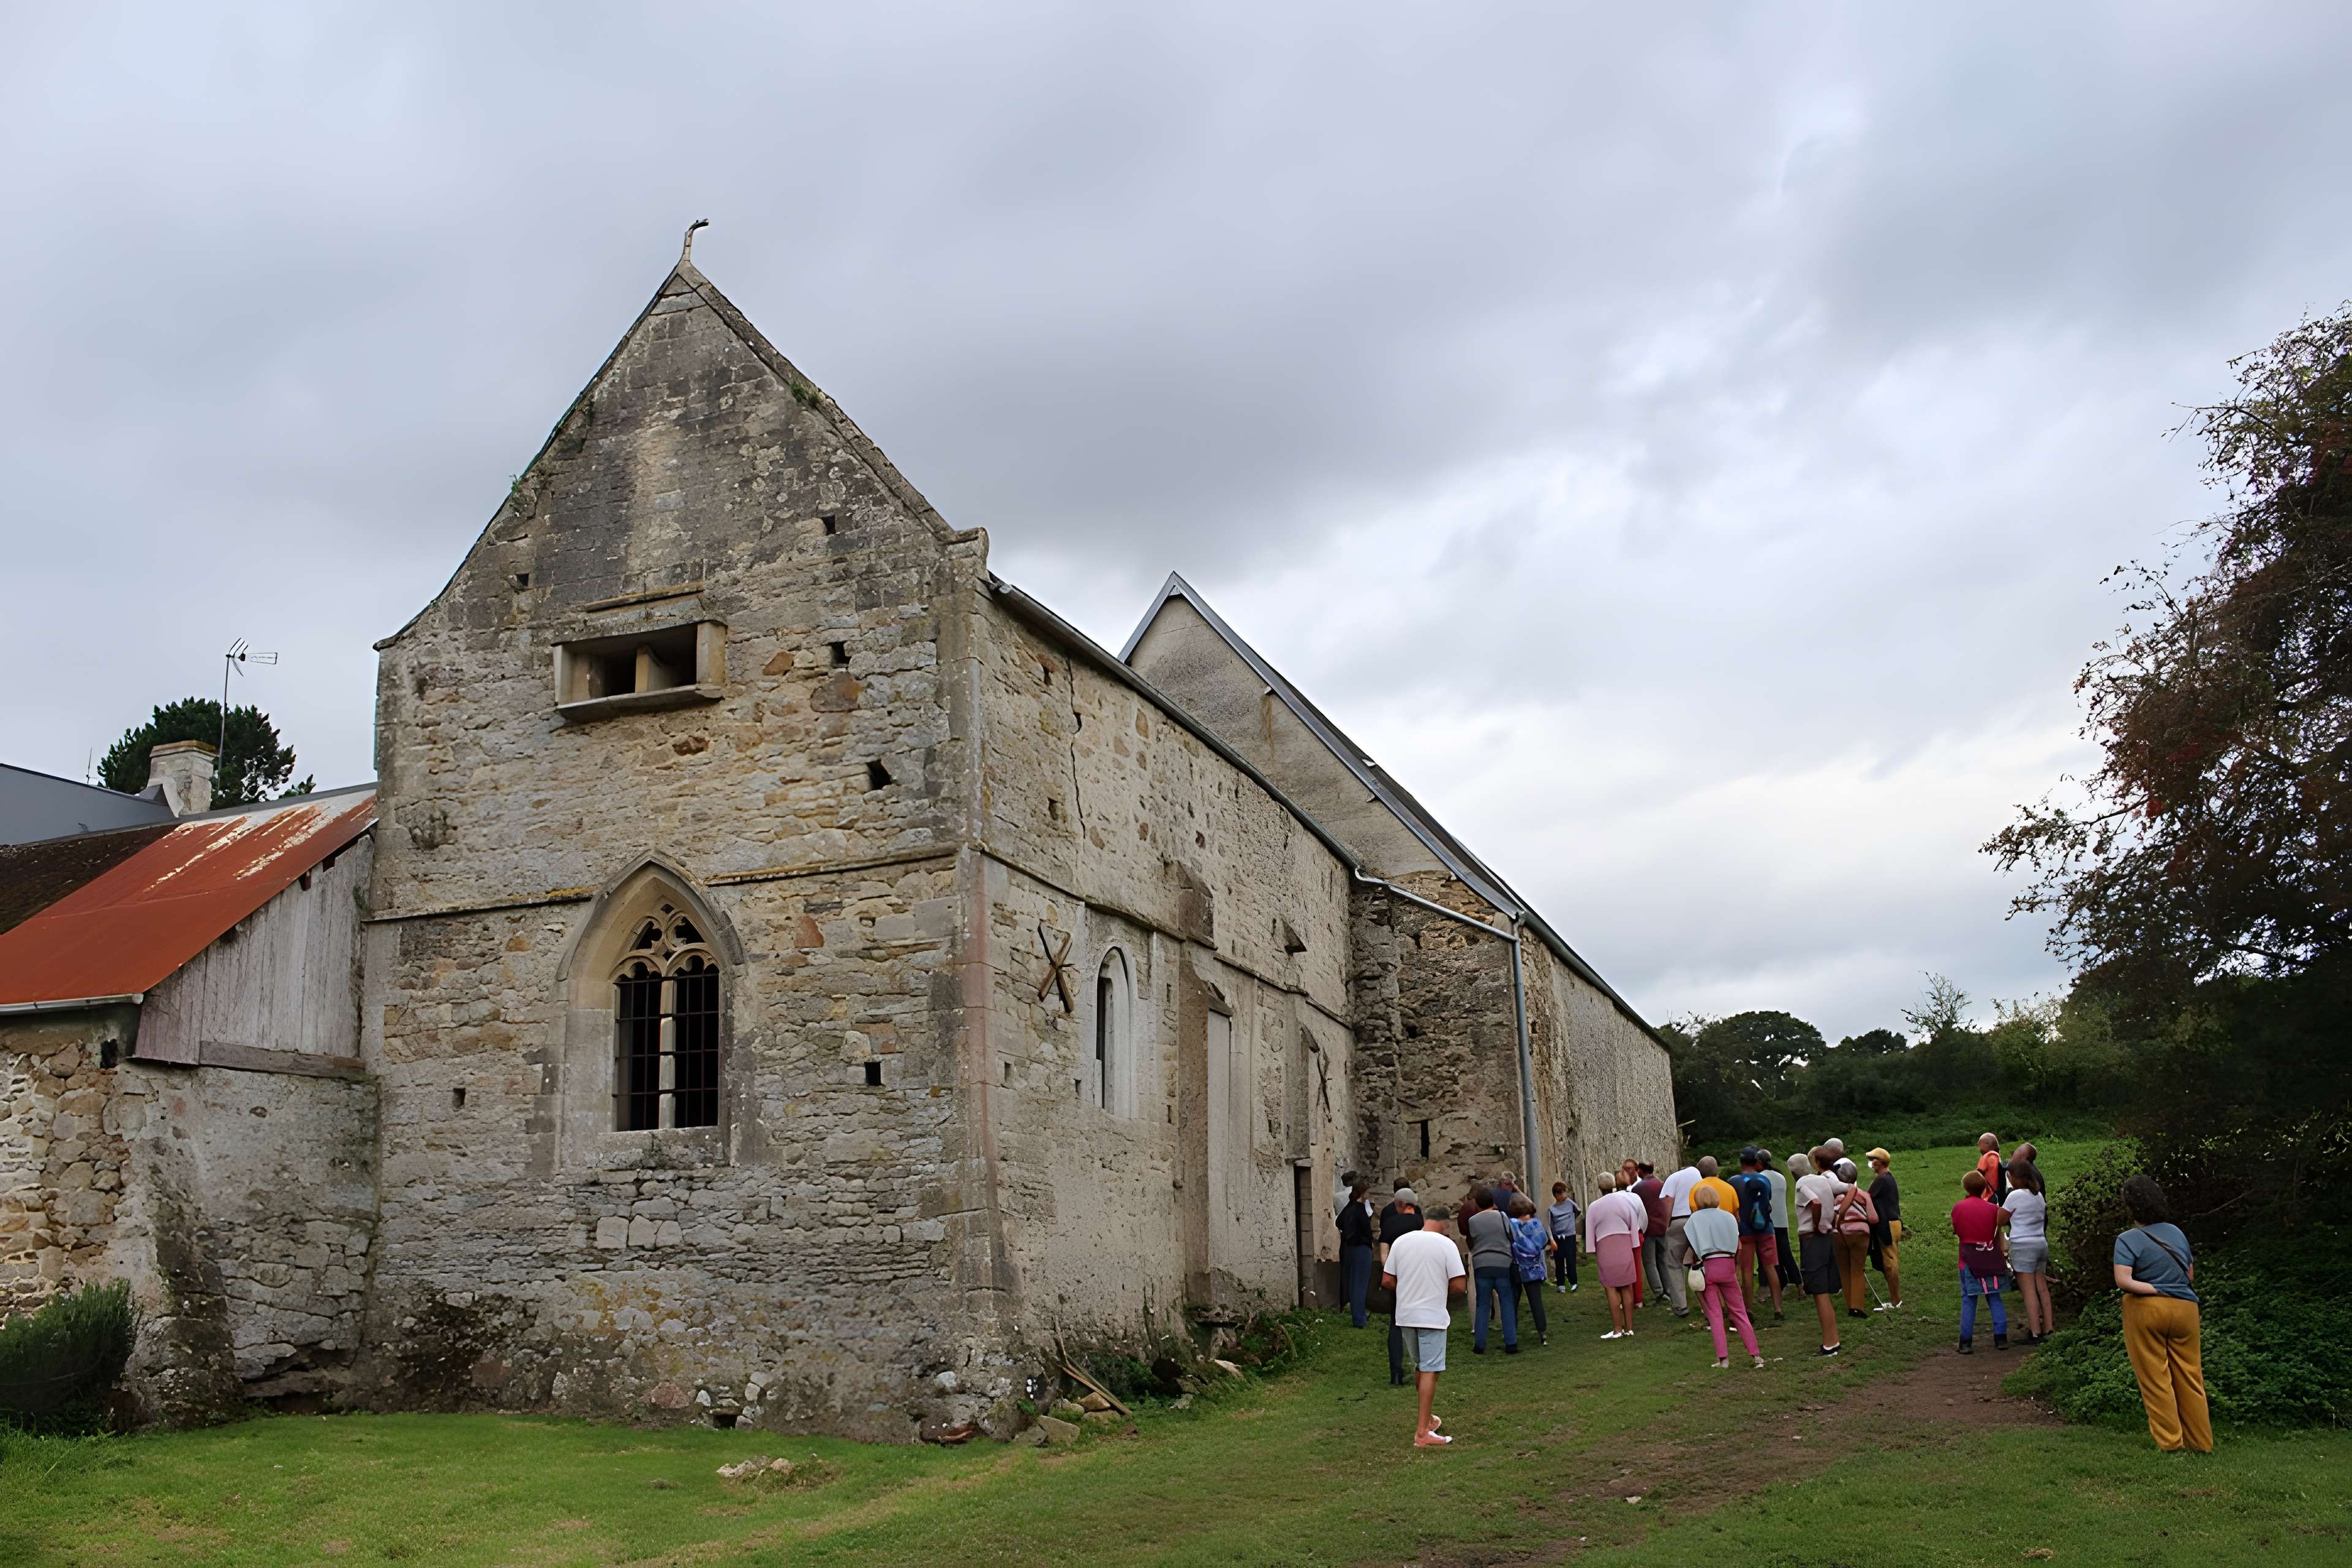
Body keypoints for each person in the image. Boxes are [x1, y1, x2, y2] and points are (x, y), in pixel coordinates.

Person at [2113, 1174, 2211, 1453]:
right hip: (2186, 1309)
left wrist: (2153, 1289)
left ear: (2130, 1207)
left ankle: (2171, 1443)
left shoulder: (2127, 1239)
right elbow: (2189, 1275)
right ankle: (2201, 1442)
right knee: (2191, 1376)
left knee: (2156, 1377)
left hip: (2147, 1309)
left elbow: (2124, 1280)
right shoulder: (2176, 1232)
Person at [1382, 1203, 1468, 1448]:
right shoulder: (1446, 1245)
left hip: (1406, 1314)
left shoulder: (1401, 1242)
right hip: (1432, 1315)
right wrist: (1437, 1293)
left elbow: (1388, 1280)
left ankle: (1428, 1420)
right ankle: (1422, 1433)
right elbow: (1460, 1285)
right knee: (1430, 1369)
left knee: (1421, 1366)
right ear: (1445, 1223)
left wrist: (1409, 1292)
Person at [1685, 1185, 1763, 1369]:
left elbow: (1692, 1245)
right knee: (1739, 1311)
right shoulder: (1728, 1216)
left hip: (1708, 1266)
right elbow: (1737, 1244)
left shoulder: (1694, 1219)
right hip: (1727, 1265)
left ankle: (1723, 1359)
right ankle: (1756, 1355)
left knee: (1715, 1314)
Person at [1794, 1146, 1847, 1356]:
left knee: (1819, 1293)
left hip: (1813, 1239)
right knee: (1823, 1290)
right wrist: (1835, 1218)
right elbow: (1846, 1191)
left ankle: (1830, 1343)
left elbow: (1814, 1202)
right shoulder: (1824, 1180)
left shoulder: (1802, 1183)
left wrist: (1816, 1224)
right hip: (1827, 1238)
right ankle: (1833, 1339)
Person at [1951, 1169, 2008, 1354]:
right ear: (1985, 1189)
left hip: (1968, 1258)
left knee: (1969, 1299)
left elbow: (1958, 1231)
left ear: (1966, 1188)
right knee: (1994, 1295)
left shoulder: (1958, 1208)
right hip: (1990, 1256)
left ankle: (1966, 1342)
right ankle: (2001, 1337)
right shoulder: (1993, 1209)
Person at [1585, 1171, 1644, 1339]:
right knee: (1627, 1286)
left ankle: (1618, 1329)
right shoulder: (1624, 1201)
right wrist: (1634, 1244)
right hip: (1624, 1243)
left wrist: (1592, 1250)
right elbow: (1634, 1223)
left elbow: (1590, 1232)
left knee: (1610, 1287)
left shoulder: (1594, 1206)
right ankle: (1630, 1328)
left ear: (1599, 1187)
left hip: (1605, 1246)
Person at [1377, 1186, 1425, 1385]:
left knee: (1396, 1324)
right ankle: (1423, 1369)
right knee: (1422, 1322)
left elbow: (1384, 1257)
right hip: (1421, 1277)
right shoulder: (1421, 1222)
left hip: (1400, 1279)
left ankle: (1396, 1372)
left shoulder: (1389, 1225)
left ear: (1400, 1205)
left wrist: (1394, 1276)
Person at [1463, 1188, 1520, 1354]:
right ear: (1493, 1203)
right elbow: (1513, 1237)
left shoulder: (1472, 1221)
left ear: (1478, 1204)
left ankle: (1480, 1345)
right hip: (1503, 1263)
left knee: (1483, 1305)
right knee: (1506, 1303)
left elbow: (1471, 1240)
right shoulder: (1502, 1217)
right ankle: (1511, 1343)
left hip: (1482, 1265)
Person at [2003, 1156, 2052, 1344]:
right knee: (2042, 1288)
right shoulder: (2038, 1195)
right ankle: (2049, 1328)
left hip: (2023, 1246)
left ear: (2015, 1177)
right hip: (2040, 1244)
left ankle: (2035, 1332)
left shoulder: (2014, 1196)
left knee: (2028, 1290)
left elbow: (2001, 1219)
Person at [1729, 1147, 1782, 1321]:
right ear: (1757, 1162)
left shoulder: (1734, 1181)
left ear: (1741, 1162)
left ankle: (1749, 1309)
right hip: (1766, 1228)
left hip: (1744, 1230)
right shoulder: (1765, 1180)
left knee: (1747, 1270)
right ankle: (1778, 1309)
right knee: (1771, 1268)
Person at [1830, 1158, 1877, 1317]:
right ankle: (1857, 1307)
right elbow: (1873, 1218)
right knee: (1858, 1269)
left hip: (1839, 1233)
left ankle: (1849, 1303)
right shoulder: (1864, 1195)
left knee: (1844, 1270)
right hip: (1859, 1233)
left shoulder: (1835, 1197)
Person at [1659, 1157, 1702, 1316]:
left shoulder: (1673, 1178)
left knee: (1674, 1263)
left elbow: (1667, 1202)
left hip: (1679, 1221)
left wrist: (1666, 1224)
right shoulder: (1700, 1175)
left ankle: (1680, 1306)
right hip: (1699, 1218)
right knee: (1703, 1260)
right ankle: (1709, 1303)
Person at [1506, 1196, 1551, 1346]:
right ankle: (1542, 1333)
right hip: (1533, 1269)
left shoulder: (1511, 1225)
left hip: (1516, 1267)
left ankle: (1511, 1334)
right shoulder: (1536, 1225)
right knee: (1536, 1301)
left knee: (1513, 1302)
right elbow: (1543, 1242)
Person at [1864, 1148, 1903, 1310]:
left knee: (1890, 1262)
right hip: (1893, 1222)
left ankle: (1896, 1301)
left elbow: (1867, 1196)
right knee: (1889, 1260)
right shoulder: (1887, 1178)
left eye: (1874, 1160)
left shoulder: (1882, 1180)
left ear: (1881, 1163)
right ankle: (1895, 1298)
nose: (1871, 1163)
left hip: (1887, 1224)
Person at [1337, 1179, 1377, 1328]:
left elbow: (1339, 1223)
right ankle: (1360, 1319)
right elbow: (1361, 1231)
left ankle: (1358, 1316)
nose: (1369, 1193)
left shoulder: (1350, 1207)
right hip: (1360, 1249)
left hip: (1350, 1249)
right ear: (1362, 1193)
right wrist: (1364, 1240)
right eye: (1367, 1191)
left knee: (1354, 1283)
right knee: (1360, 1284)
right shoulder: (1359, 1209)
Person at [1632, 1162, 1668, 1310]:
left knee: (1650, 1262)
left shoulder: (1637, 1189)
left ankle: (1659, 1292)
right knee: (1663, 1261)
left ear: (1640, 1171)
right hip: (1663, 1226)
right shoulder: (1662, 1184)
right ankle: (1669, 1289)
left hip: (1648, 1228)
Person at [1763, 1148, 1797, 1293]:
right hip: (1782, 1221)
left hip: (1768, 1222)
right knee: (1786, 1253)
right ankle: (1797, 1282)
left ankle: (1777, 1282)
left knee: (1771, 1257)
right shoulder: (1780, 1176)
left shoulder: (1761, 1177)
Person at [1546, 1181, 1580, 1292]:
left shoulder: (1570, 1204)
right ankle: (1561, 1285)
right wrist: (1552, 1239)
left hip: (1570, 1236)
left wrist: (1571, 1223)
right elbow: (1549, 1225)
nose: (1565, 1195)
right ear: (1556, 1195)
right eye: (1562, 1193)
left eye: (1565, 1192)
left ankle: (1573, 1283)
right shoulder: (1552, 1209)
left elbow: (1578, 1211)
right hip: (1558, 1237)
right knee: (1559, 1260)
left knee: (1571, 1260)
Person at [1692, 1155, 1740, 1221]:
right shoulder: (1730, 1188)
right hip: (1726, 1227)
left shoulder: (1696, 1189)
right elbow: (1737, 1217)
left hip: (1704, 1228)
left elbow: (1693, 1212)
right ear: (1717, 1171)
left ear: (1699, 1172)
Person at [1975, 1135, 2006, 1204]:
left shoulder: (1987, 1157)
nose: (1979, 1147)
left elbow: (1978, 1174)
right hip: (1998, 1193)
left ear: (1986, 1145)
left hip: (1991, 1195)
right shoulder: (1996, 1157)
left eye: (1979, 1144)